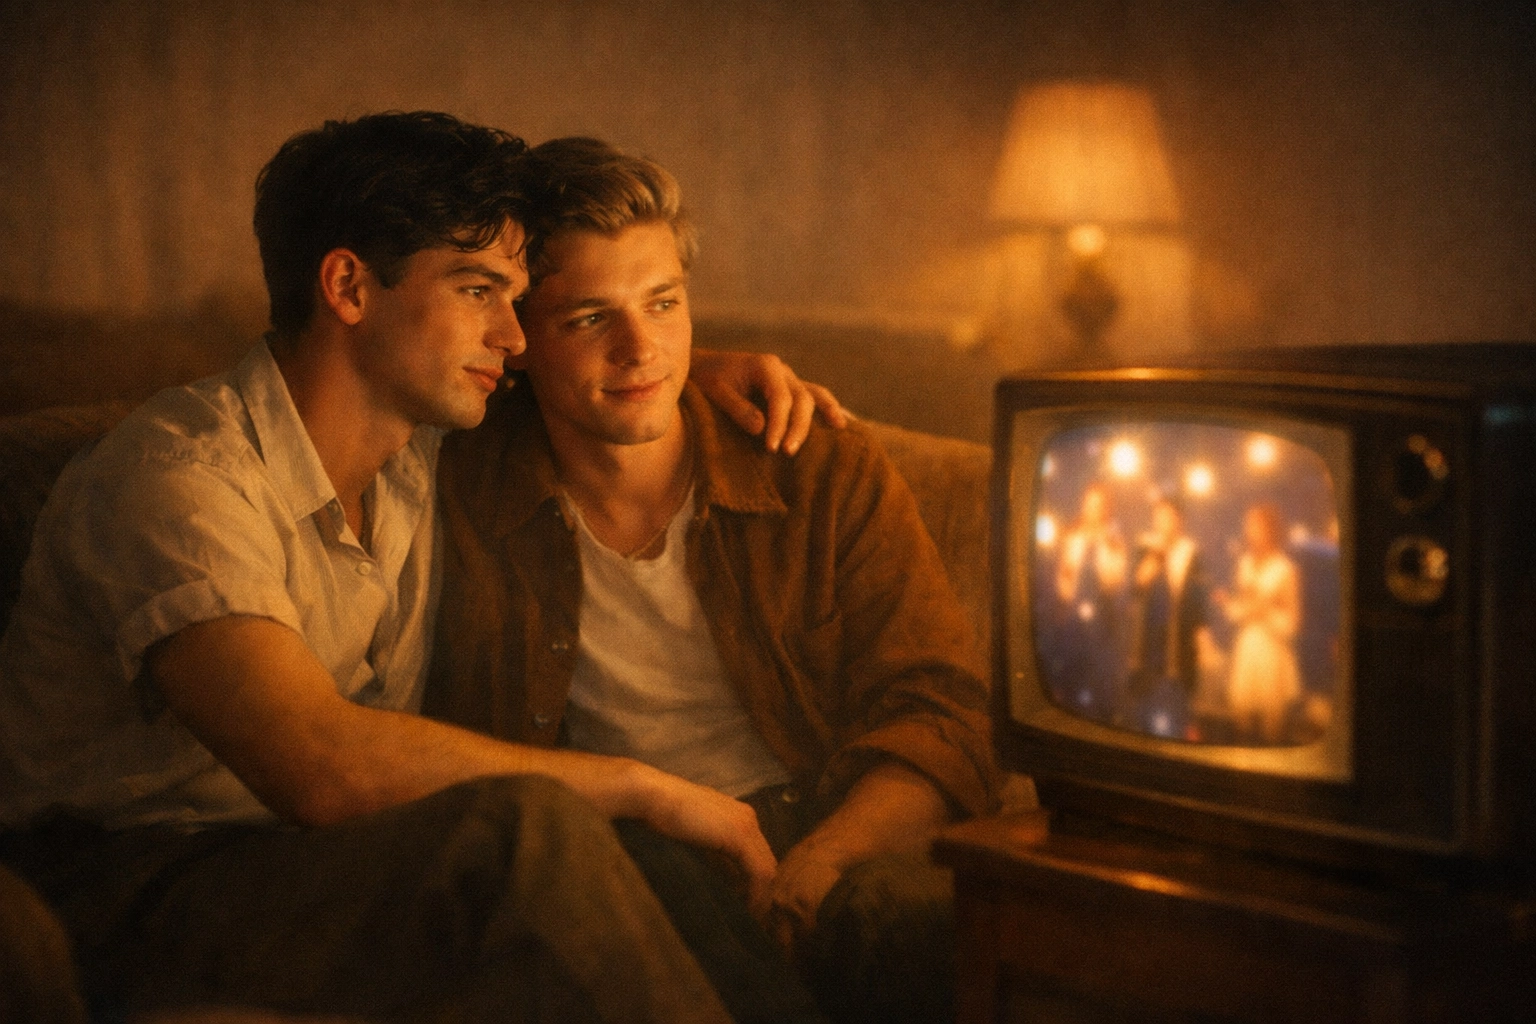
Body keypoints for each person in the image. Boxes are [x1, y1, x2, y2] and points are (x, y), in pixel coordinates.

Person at [0, 111, 844, 1024]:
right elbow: (319, 763)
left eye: (518, 299)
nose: (514, 337)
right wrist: (644, 783)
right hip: (125, 886)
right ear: (349, 285)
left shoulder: (419, 446)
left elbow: (590, 364)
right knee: (524, 830)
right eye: (479, 291)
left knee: (637, 851)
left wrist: (688, 364)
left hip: (308, 866)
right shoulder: (173, 482)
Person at [426, 137, 1001, 1024]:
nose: (639, 348)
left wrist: (822, 863)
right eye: (588, 319)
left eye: (664, 303)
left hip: (815, 814)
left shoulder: (817, 464)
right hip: (616, 836)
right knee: (628, 872)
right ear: (520, 338)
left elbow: (944, 713)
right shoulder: (460, 481)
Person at [1217, 502, 1303, 744]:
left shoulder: (1285, 569)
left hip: (1272, 653)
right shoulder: (1245, 563)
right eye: (1247, 526)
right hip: (1248, 648)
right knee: (1241, 721)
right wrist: (1228, 604)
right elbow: (1241, 612)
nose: (1249, 531)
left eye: (1254, 525)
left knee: (1271, 729)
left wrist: (1265, 610)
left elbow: (1293, 626)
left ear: (1270, 530)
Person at [1125, 494, 1210, 736]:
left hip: (1178, 649)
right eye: (1158, 516)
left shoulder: (1191, 553)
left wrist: (1203, 639)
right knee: (1141, 720)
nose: (1162, 522)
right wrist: (1155, 556)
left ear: (1179, 520)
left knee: (1174, 722)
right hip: (1146, 648)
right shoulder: (1145, 547)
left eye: (1168, 517)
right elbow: (1135, 586)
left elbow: (1199, 601)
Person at [1050, 484, 1127, 717]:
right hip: (1074, 620)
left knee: (1099, 678)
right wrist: (1068, 592)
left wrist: (1102, 550)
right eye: (1089, 504)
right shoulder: (1072, 538)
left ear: (1106, 510)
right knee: (1071, 675)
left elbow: (1115, 581)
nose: (1092, 510)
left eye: (1098, 506)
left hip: (1102, 620)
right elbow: (1063, 580)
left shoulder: (1114, 542)